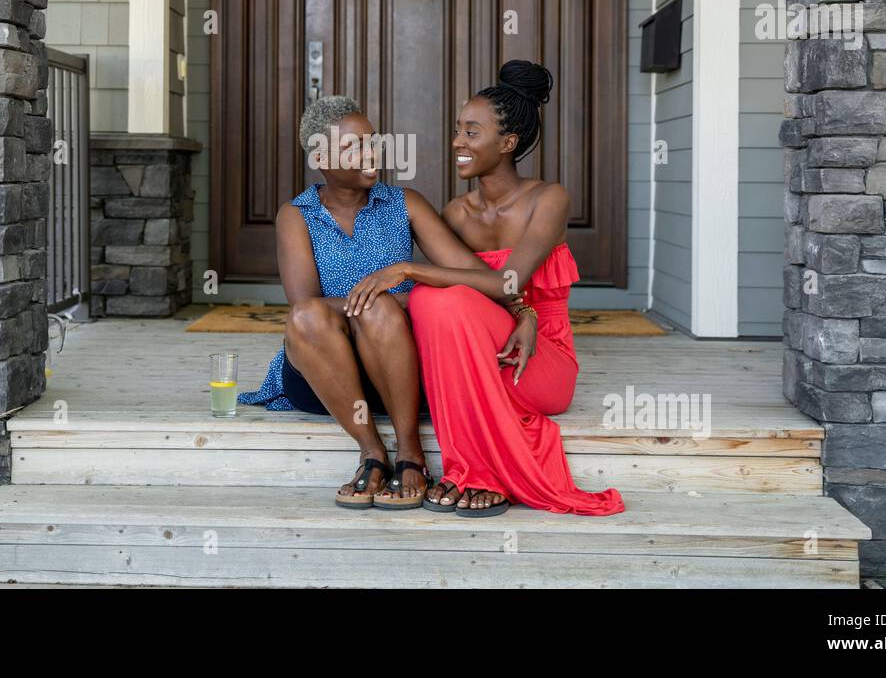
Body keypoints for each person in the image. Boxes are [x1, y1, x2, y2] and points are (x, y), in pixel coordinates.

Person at [345, 61, 625, 518]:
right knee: (435, 299)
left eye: (471, 133)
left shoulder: (548, 199)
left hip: (536, 362)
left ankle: (480, 470)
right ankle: (469, 464)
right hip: (476, 359)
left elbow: (507, 283)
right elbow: (470, 301)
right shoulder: (457, 213)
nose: (457, 141)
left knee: (432, 291)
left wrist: (409, 269)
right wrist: (519, 312)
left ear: (507, 143)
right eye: (458, 130)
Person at [238, 95, 538, 511]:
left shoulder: (404, 204)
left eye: (373, 141)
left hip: (403, 379)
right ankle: (372, 452)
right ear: (321, 157)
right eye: (354, 146)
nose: (371, 153)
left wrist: (522, 310)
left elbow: (486, 281)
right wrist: (390, 299)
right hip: (327, 379)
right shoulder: (296, 215)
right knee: (312, 313)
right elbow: (308, 307)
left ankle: (410, 452)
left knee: (376, 308)